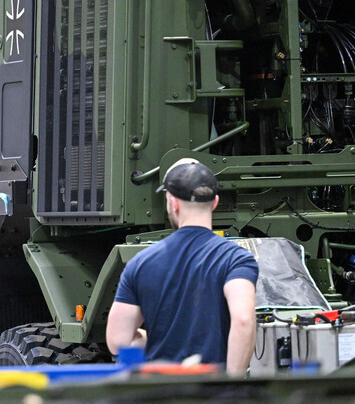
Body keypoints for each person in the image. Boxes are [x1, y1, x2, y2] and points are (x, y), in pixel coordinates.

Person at [106, 159, 257, 375]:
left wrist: (153, 339)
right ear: (214, 202)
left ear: (173, 204)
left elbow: (117, 341)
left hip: (164, 388)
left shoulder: (141, 263)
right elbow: (243, 321)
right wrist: (230, 382)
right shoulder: (237, 259)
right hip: (214, 388)